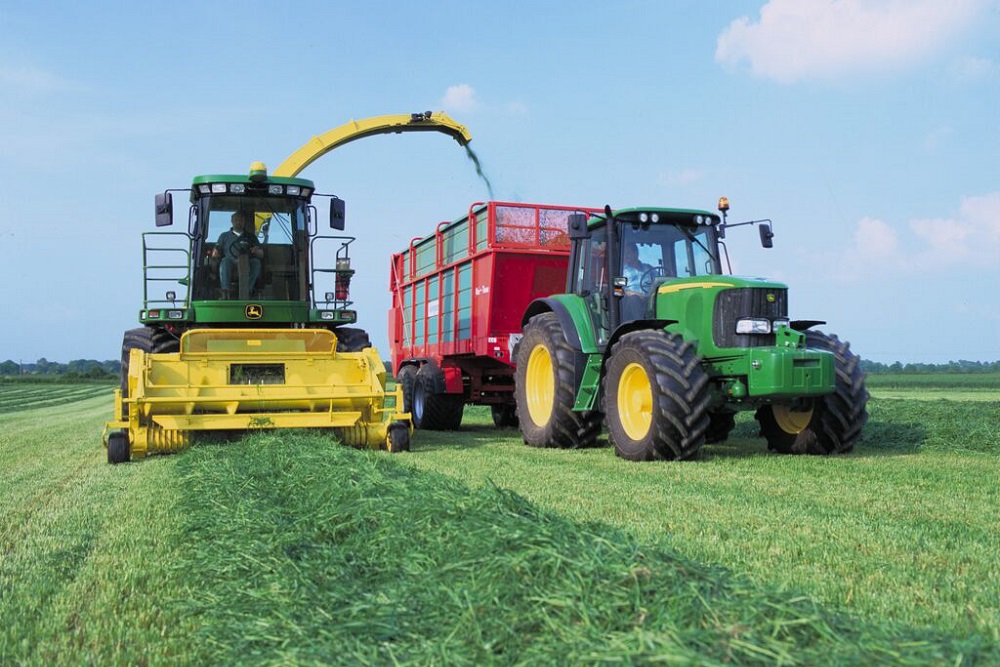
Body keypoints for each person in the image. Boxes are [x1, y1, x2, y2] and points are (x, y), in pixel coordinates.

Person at [212, 211, 264, 296]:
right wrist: (215, 253)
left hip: (247, 263)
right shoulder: (224, 236)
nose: (238, 222)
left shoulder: (251, 237)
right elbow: (216, 250)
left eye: (241, 220)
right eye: (236, 220)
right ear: (232, 221)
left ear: (244, 222)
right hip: (231, 263)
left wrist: (257, 251)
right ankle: (225, 291)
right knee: (225, 261)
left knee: (256, 263)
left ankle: (248, 290)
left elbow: (261, 253)